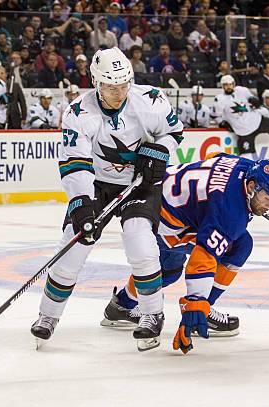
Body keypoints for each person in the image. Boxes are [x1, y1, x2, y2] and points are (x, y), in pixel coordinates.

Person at [30, 47, 184, 352]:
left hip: (140, 184)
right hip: (97, 184)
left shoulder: (150, 99)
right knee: (71, 247)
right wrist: (82, 204)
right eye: (111, 87)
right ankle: (48, 316)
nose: (119, 92)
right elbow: (75, 162)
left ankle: (152, 313)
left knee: (141, 243)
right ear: (96, 82)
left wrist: (160, 151)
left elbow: (175, 134)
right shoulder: (78, 113)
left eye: (124, 84)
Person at [101, 155, 269, 352]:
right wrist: (195, 305)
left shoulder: (245, 166)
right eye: (267, 198)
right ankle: (203, 309)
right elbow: (203, 258)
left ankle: (121, 306)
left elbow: (214, 162)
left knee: (169, 270)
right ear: (251, 187)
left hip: (158, 196)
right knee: (240, 245)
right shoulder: (231, 212)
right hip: (160, 221)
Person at [212, 75, 269, 155]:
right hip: (243, 132)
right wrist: (222, 123)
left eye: (230, 84)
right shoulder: (219, 100)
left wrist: (255, 101)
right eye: (226, 85)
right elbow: (214, 115)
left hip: (258, 121)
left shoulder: (242, 90)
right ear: (222, 86)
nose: (229, 87)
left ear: (234, 84)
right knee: (246, 157)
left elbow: (253, 99)